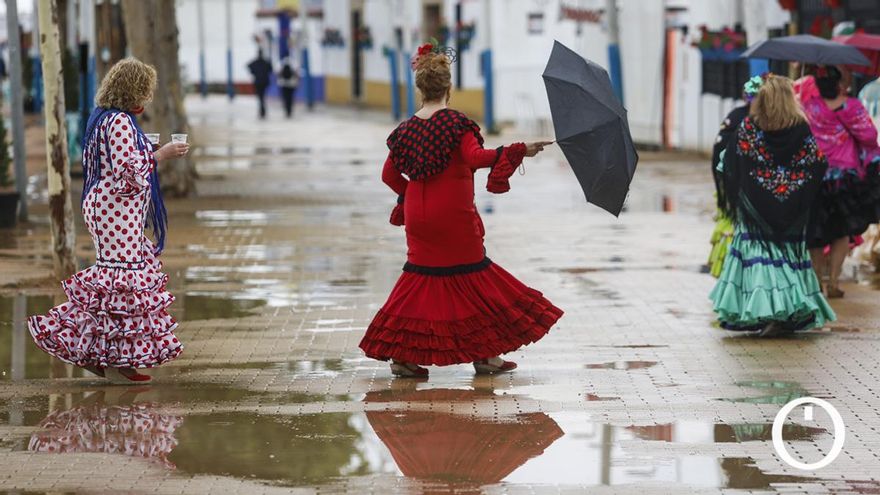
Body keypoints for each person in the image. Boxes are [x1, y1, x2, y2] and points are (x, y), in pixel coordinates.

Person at [358, 43, 562, 377]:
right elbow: (476, 159)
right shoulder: (456, 123)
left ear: (420, 89)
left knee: (420, 279)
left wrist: (411, 195)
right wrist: (518, 150)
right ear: (448, 89)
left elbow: (388, 175)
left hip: (418, 218)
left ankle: (403, 356)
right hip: (453, 215)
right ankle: (486, 355)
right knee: (474, 277)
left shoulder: (406, 129)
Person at [27, 58, 189, 383]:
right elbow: (126, 172)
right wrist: (161, 154)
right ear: (134, 90)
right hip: (115, 210)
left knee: (116, 280)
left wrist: (148, 150)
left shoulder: (106, 118)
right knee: (120, 281)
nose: (148, 96)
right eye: (146, 90)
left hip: (112, 209)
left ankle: (101, 354)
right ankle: (110, 359)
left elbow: (118, 162)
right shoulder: (118, 123)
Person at [710, 74, 835, 336]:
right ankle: (786, 313)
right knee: (787, 259)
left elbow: (727, 163)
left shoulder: (749, 128)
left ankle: (765, 312)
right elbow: (817, 164)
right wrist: (791, 187)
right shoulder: (802, 130)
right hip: (792, 213)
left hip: (755, 213)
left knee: (761, 260)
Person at [802, 66, 880, 298]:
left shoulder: (810, 107)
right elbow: (868, 136)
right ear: (839, 82)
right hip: (845, 179)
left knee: (815, 232)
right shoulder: (852, 107)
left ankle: (816, 281)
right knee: (841, 231)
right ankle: (834, 282)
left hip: (814, 176)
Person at [707, 76, 761, 278]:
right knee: (732, 228)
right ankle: (730, 270)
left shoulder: (747, 118)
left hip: (742, 184)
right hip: (735, 184)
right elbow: (719, 152)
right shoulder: (741, 119)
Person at [247, 50, 273, 119]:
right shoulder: (266, 62)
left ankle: (262, 109)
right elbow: (271, 69)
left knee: (260, 96)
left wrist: (254, 73)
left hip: (258, 82)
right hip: (264, 82)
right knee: (262, 96)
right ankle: (262, 109)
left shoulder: (255, 62)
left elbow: (248, 66)